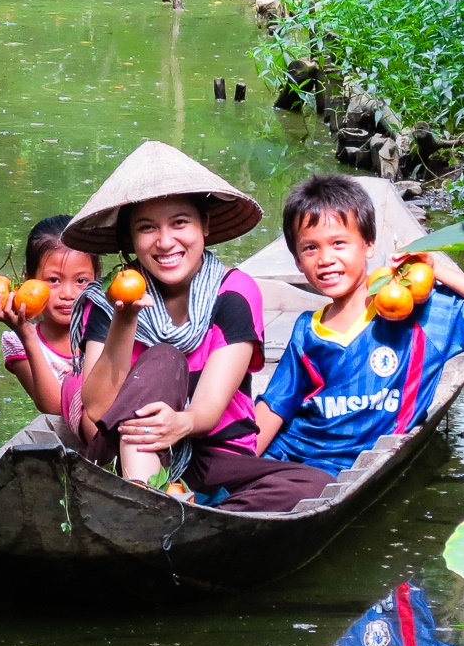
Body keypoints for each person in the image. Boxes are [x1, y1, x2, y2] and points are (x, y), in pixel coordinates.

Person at [60, 140, 331, 512]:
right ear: (130, 240)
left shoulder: (233, 292)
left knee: (315, 484)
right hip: (126, 460)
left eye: (180, 222)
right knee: (164, 358)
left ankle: (208, 519)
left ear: (204, 225)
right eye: (147, 228)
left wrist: (181, 423)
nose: (165, 241)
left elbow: (209, 408)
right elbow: (96, 407)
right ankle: (146, 500)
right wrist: (125, 319)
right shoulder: (112, 299)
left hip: (209, 456)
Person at [255, 174, 464, 476]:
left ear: (369, 245)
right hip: (289, 455)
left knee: (284, 493)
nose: (325, 258)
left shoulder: (418, 317)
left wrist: (436, 269)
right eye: (310, 248)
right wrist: (240, 465)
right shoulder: (306, 331)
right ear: (298, 262)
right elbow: (275, 407)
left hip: (340, 472)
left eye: (339, 243)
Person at [0, 214, 98, 416]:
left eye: (81, 281)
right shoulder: (17, 342)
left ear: (97, 280)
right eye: (54, 280)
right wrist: (26, 334)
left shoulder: (107, 325)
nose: (68, 295)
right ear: (28, 281)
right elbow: (54, 408)